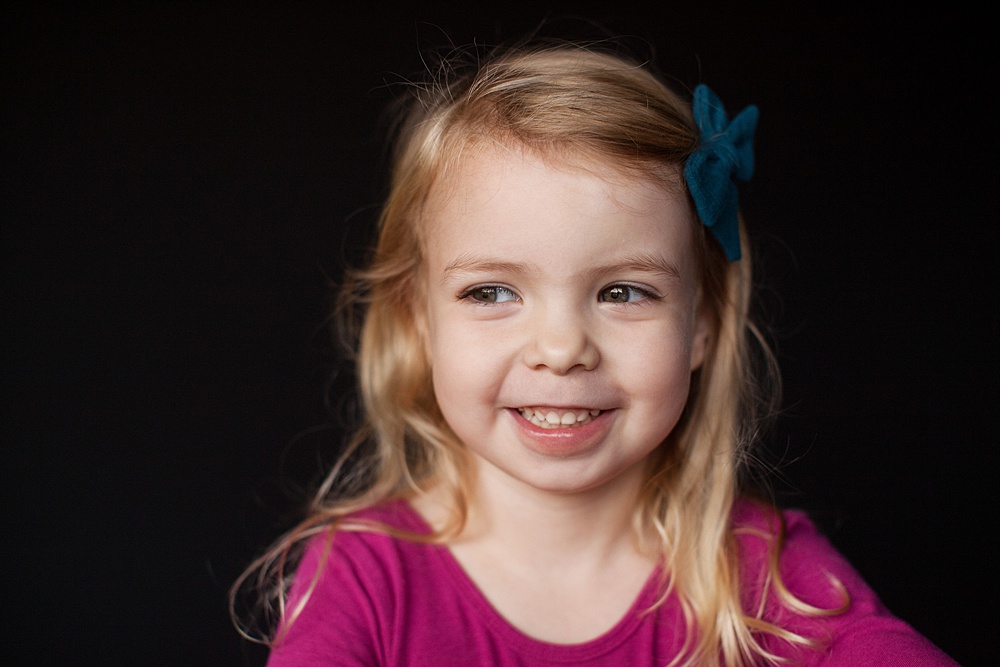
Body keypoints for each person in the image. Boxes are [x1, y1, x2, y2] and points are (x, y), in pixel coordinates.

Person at [231, 38, 960, 666]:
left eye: (622, 292)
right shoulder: (365, 574)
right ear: (417, 319)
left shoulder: (768, 573)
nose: (561, 348)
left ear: (701, 324)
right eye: (491, 292)